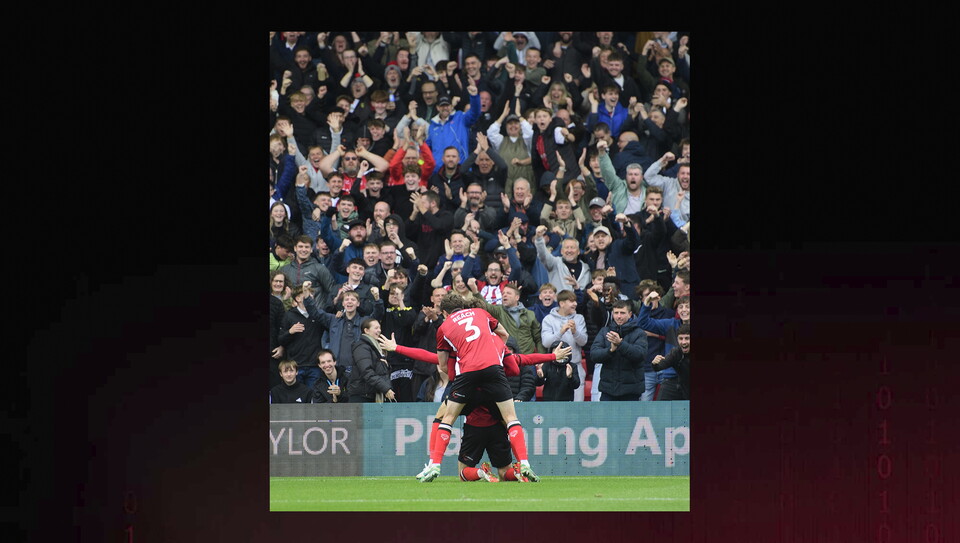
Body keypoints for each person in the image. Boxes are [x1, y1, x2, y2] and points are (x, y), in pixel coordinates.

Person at [419, 293, 538, 483]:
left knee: (447, 417)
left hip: (467, 373)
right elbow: (504, 335)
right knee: (510, 418)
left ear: (444, 312)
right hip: (493, 368)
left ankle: (434, 465)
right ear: (464, 306)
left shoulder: (443, 327)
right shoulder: (480, 312)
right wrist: (495, 352)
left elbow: (441, 365)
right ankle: (524, 463)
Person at [589, 300, 647, 401]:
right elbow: (594, 355)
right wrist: (610, 350)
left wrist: (620, 344)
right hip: (608, 390)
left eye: (622, 313)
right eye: (616, 313)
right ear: (612, 314)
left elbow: (640, 355)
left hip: (631, 391)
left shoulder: (639, 333)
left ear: (630, 314)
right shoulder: (604, 331)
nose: (619, 316)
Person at [540, 290, 589, 400]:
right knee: (554, 407)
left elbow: (583, 342)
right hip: (553, 368)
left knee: (577, 407)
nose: (575, 304)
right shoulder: (549, 319)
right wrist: (561, 331)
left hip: (575, 366)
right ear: (562, 303)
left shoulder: (579, 318)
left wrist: (575, 332)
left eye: (575, 301)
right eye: (571, 301)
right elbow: (546, 342)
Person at [277, 286, 325, 388]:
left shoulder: (318, 315)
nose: (310, 297)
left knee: (313, 398)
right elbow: (281, 340)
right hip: (295, 365)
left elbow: (331, 326)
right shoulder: (289, 315)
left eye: (311, 294)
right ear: (297, 298)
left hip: (314, 365)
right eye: (306, 294)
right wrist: (290, 332)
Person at [347, 318, 396, 403]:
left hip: (371, 394)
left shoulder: (376, 347)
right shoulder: (361, 347)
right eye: (376, 328)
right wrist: (385, 388)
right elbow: (367, 372)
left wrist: (386, 366)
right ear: (366, 330)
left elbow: (380, 371)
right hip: (362, 397)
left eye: (380, 328)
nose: (379, 330)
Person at [650, 322, 690, 400]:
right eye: (681, 339)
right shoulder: (676, 353)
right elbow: (659, 367)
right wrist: (655, 363)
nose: (684, 342)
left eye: (687, 338)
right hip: (683, 387)